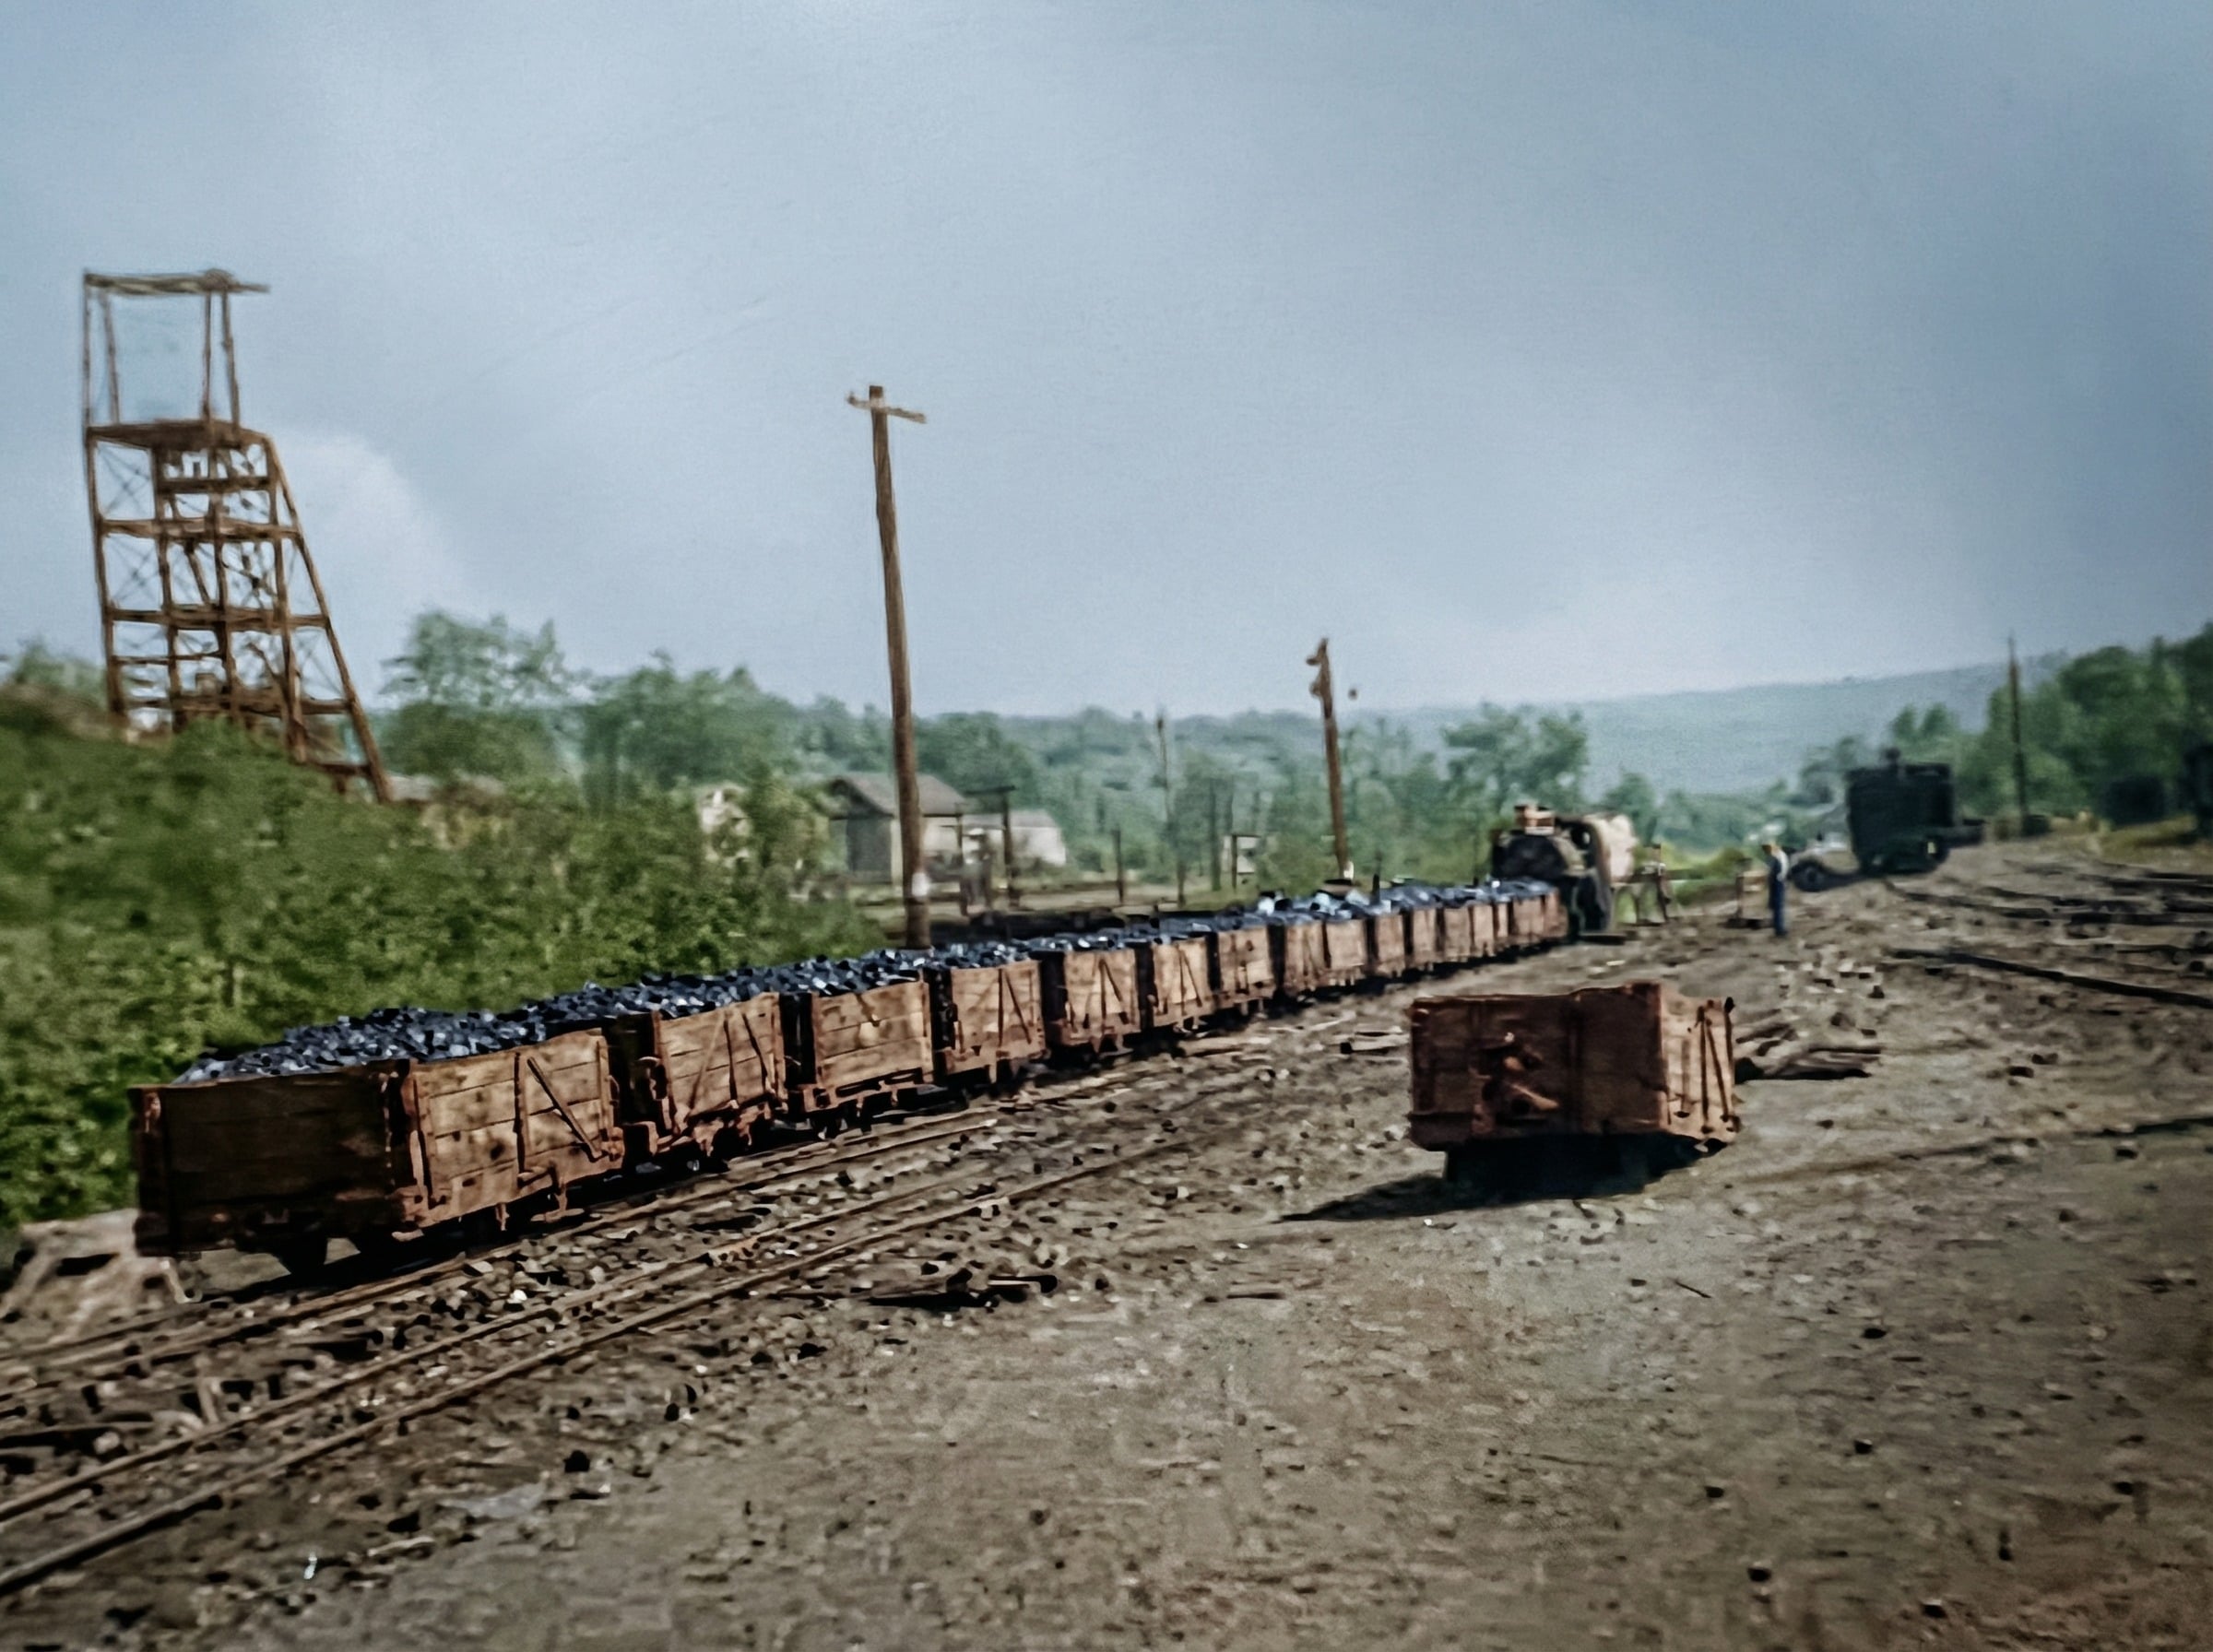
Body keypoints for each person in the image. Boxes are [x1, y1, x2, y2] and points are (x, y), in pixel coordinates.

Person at [1762, 841, 1790, 938]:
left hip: (1776, 881)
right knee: (1778, 906)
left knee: (1776, 906)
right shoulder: (1778, 856)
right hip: (1777, 882)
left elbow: (1771, 870)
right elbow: (1782, 871)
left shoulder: (1776, 856)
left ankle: (1778, 927)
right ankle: (1779, 928)